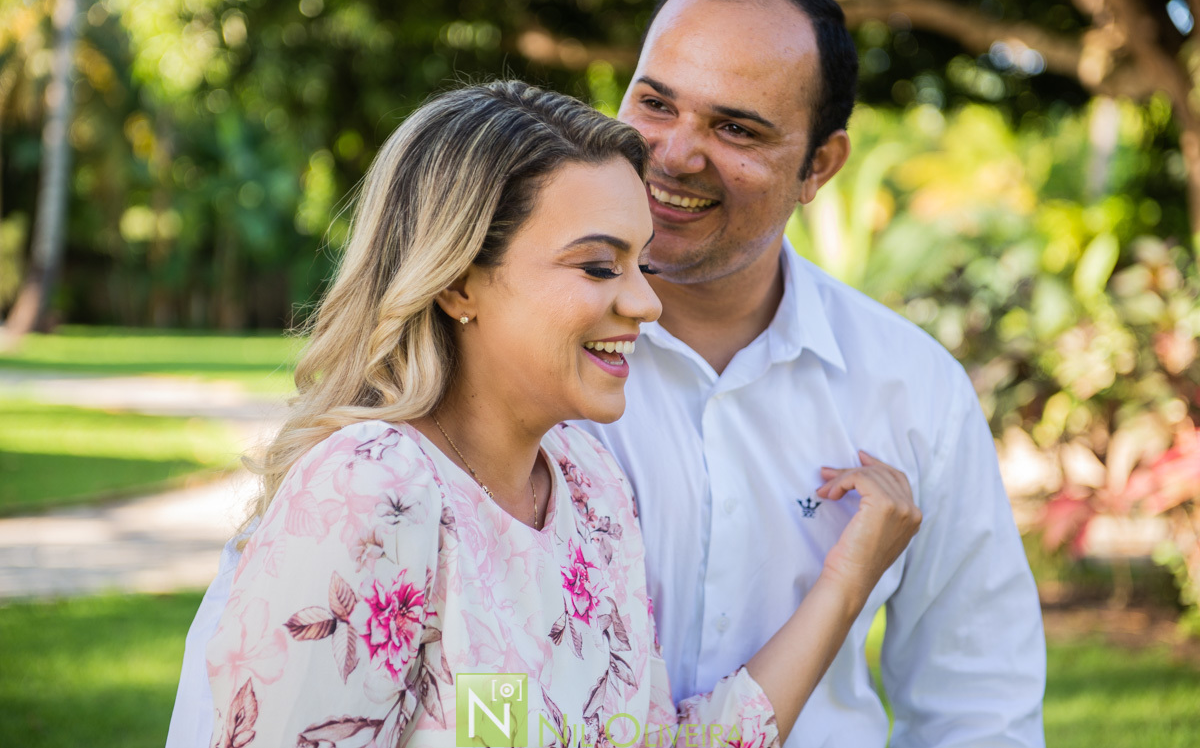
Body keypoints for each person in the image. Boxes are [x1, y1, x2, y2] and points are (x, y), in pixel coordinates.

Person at [167, 81, 921, 748]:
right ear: (459, 283)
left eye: (640, 261)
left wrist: (846, 582)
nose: (647, 302)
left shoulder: (588, 481)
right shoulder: (372, 490)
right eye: (599, 265)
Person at [571, 0, 1047, 748]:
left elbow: (976, 705)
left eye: (736, 128)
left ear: (819, 165)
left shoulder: (914, 387)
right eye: (655, 103)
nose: (675, 154)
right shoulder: (523, 352)